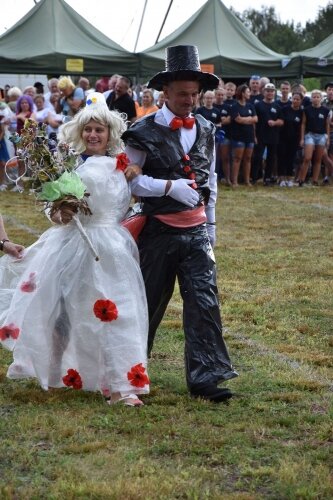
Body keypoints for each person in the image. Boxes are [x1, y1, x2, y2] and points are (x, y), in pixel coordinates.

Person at [0, 93, 149, 407]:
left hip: (111, 247)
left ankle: (123, 384)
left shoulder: (124, 165)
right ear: (80, 134)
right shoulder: (73, 170)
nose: (93, 135)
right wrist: (60, 212)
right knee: (66, 312)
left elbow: (132, 199)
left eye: (99, 130)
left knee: (117, 311)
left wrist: (135, 173)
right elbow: (56, 210)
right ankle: (56, 367)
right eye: (88, 130)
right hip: (75, 246)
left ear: (110, 134)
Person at [122, 45, 238, 403]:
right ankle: (128, 371)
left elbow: (211, 178)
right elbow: (127, 180)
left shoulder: (205, 126)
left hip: (197, 230)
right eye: (183, 94)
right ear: (165, 93)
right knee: (147, 303)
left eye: (194, 94)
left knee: (204, 302)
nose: (190, 100)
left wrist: (212, 225)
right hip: (157, 231)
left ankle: (205, 378)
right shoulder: (141, 130)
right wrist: (167, 186)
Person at [252, 83, 284, 185]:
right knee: (258, 157)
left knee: (271, 158)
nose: (270, 93)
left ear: (274, 93)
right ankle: (255, 177)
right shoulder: (257, 105)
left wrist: (275, 123)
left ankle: (267, 178)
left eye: (272, 91)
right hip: (260, 135)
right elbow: (254, 122)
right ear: (263, 92)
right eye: (268, 91)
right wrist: (254, 136)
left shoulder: (277, 106)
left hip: (273, 136)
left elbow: (282, 121)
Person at [298, 89, 331, 186]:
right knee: (307, 157)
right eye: (314, 97)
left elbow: (327, 125)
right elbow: (303, 124)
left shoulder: (326, 111)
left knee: (318, 159)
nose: (316, 99)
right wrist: (302, 138)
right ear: (311, 98)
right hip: (310, 135)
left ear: (321, 98)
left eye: (318, 97)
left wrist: (328, 138)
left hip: (321, 136)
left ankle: (315, 180)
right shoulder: (306, 110)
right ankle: (301, 180)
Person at [230, 84, 257, 187]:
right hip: (238, 137)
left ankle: (247, 181)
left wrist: (245, 119)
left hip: (249, 136)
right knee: (237, 159)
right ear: (242, 93)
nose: (249, 93)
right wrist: (249, 119)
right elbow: (238, 119)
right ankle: (235, 181)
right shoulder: (234, 106)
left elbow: (256, 119)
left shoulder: (251, 106)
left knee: (248, 158)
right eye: (248, 92)